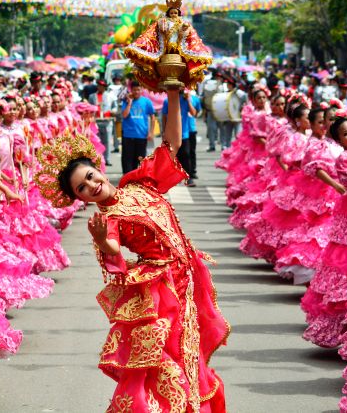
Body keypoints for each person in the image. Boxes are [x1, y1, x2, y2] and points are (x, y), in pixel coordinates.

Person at [36, 87, 228, 412]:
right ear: (80, 199)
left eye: (90, 177)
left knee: (191, 355)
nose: (92, 186)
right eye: (82, 189)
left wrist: (173, 95)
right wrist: (101, 241)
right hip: (161, 289)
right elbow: (112, 249)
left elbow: (172, 144)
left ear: (98, 168)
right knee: (166, 361)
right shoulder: (106, 218)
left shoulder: (138, 183)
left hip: (188, 277)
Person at [125, 0, 212, 93]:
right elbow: (156, 32)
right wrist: (162, 27)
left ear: (178, 14)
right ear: (169, 13)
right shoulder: (163, 21)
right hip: (166, 47)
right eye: (172, 12)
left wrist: (183, 31)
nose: (174, 14)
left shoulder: (182, 22)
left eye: (175, 12)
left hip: (177, 47)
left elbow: (188, 35)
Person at [120, 81, 155, 174]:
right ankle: (127, 178)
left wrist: (151, 132)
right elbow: (124, 115)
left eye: (138, 90)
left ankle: (138, 178)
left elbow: (152, 117)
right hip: (128, 135)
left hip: (142, 135)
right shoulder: (126, 100)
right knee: (127, 158)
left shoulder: (147, 102)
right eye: (134, 90)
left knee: (140, 159)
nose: (136, 92)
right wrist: (129, 103)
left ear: (142, 90)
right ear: (131, 90)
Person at [89, 80, 115, 166]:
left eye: (102, 86)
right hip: (96, 121)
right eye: (99, 85)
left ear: (105, 87)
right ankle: (98, 158)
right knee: (96, 141)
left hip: (106, 121)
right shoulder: (92, 96)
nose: (100, 87)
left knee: (107, 140)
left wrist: (111, 111)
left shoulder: (110, 96)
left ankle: (107, 159)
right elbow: (89, 107)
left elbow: (114, 107)